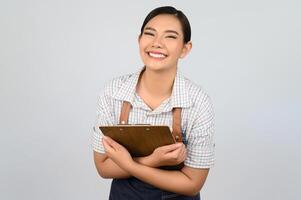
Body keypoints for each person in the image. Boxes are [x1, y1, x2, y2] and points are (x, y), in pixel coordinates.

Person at [92, 6, 215, 200]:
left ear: (185, 49)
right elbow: (103, 167)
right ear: (139, 40)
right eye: (150, 34)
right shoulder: (113, 92)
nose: (157, 43)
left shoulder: (197, 102)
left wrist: (130, 164)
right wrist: (151, 160)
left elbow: (192, 183)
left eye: (170, 36)